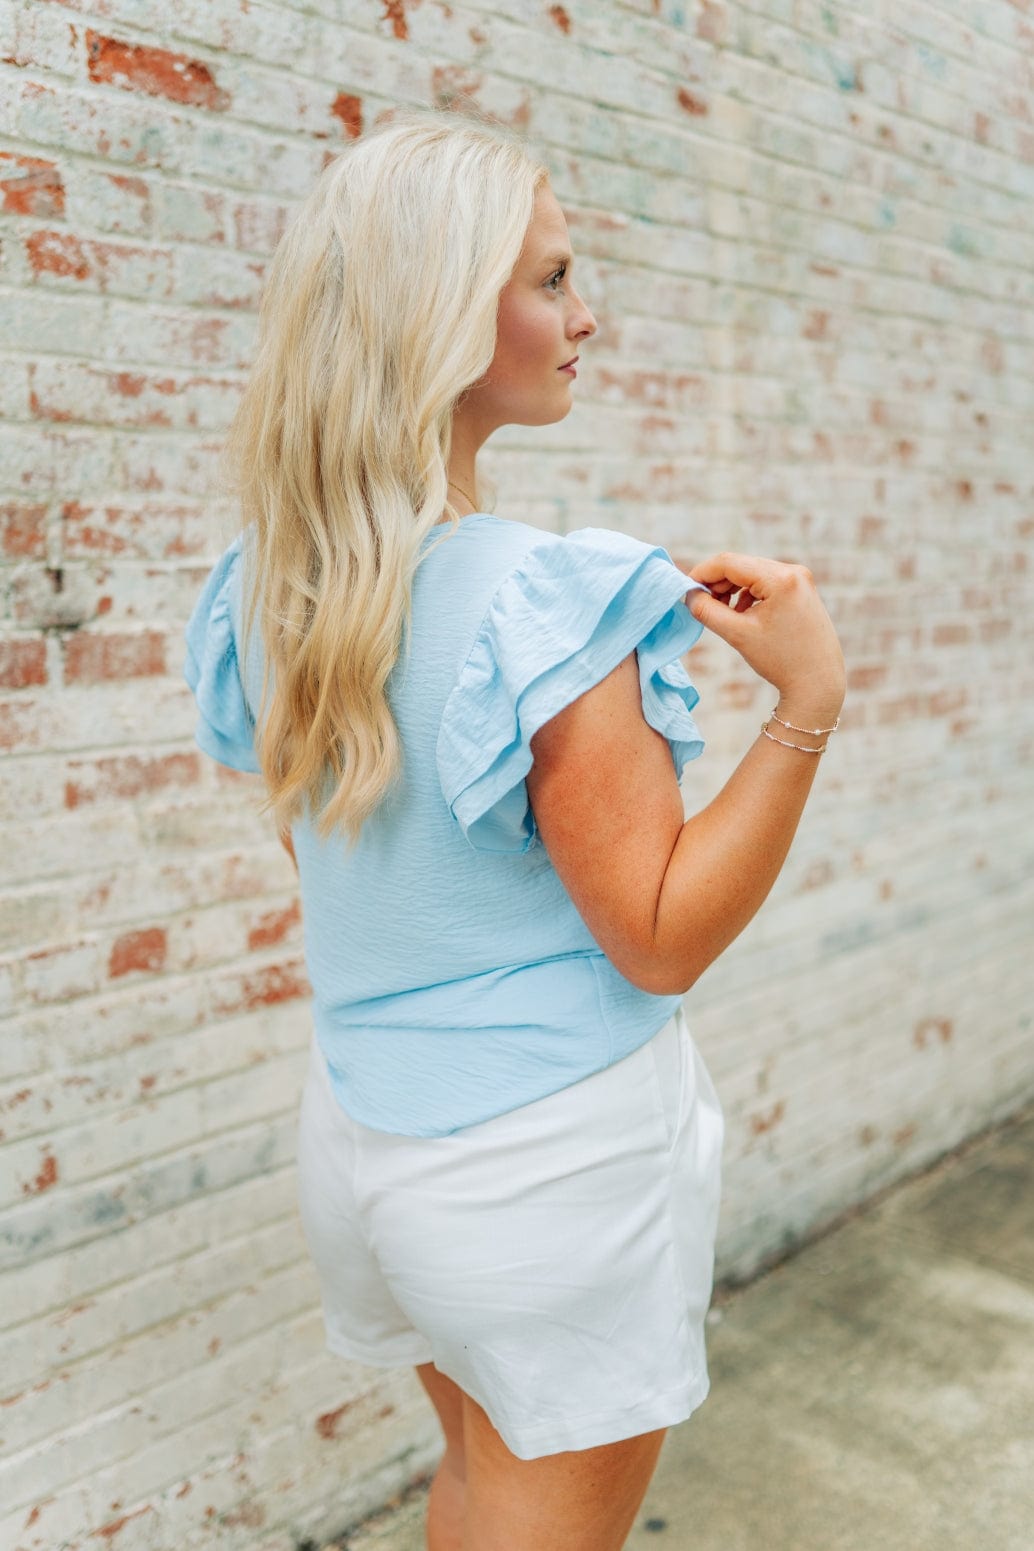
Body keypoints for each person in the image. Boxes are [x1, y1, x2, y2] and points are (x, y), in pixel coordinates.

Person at [183, 107, 846, 1551]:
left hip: (367, 1152)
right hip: (548, 1169)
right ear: (441, 313)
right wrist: (806, 701)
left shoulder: (270, 592)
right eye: (550, 279)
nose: (584, 315)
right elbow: (659, 938)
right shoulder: (539, 602)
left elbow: (361, 870)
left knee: (479, 1483)